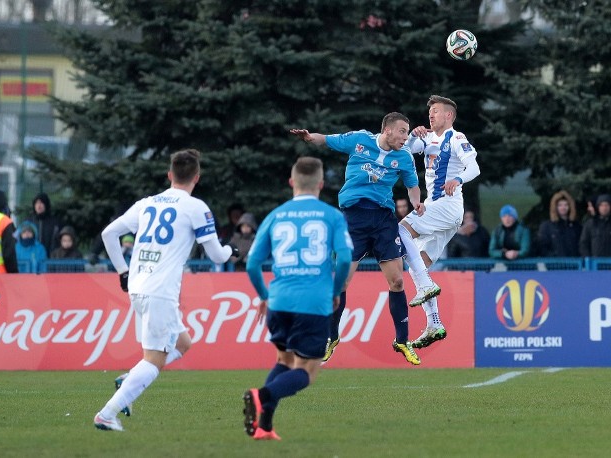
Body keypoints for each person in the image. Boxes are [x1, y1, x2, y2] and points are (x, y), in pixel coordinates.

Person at [93, 148, 239, 432]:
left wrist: (122, 271)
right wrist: (232, 249)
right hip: (160, 291)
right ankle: (107, 413)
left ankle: (130, 379)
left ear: (170, 174)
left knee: (183, 343)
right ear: (196, 177)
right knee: (155, 359)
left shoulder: (146, 203)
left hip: (138, 286)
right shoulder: (196, 207)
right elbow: (217, 256)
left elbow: (108, 234)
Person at [290, 111, 424, 366]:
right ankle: (331, 337)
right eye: (402, 132)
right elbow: (328, 139)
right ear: (387, 130)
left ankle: (402, 341)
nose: (405, 137)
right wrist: (309, 137)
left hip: (383, 220)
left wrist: (417, 203)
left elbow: (412, 185)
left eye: (407, 133)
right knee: (341, 282)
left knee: (397, 281)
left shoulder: (404, 157)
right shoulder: (359, 140)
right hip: (353, 220)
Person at [242, 156, 352, 441]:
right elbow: (345, 260)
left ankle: (264, 425)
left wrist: (264, 296)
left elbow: (252, 263)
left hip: (279, 301)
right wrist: (335, 291)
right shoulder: (332, 216)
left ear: (292, 182)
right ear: (321, 184)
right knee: (307, 370)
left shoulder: (275, 215)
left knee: (284, 359)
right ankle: (260, 395)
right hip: (313, 302)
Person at [399, 95, 481, 349]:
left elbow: (474, 168)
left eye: (435, 111)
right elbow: (404, 149)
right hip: (439, 210)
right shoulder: (427, 138)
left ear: (449, 116)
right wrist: (413, 136)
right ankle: (434, 322)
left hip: (448, 205)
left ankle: (427, 286)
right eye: (430, 112)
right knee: (416, 263)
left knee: (400, 230)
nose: (431, 115)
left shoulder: (456, 138)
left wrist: (458, 180)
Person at [536, 190, 582, 257]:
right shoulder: (547, 226)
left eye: (566, 205)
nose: (563, 208)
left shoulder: (577, 226)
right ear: (555, 207)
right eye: (560, 205)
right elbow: (542, 248)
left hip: (574, 264)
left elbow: (581, 246)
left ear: (570, 207)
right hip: (555, 265)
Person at [28, 192, 63, 257]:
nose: (39, 206)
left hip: (51, 259)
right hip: (32, 260)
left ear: (46, 205)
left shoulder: (55, 222)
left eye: (41, 203)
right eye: (37, 203)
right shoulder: (28, 222)